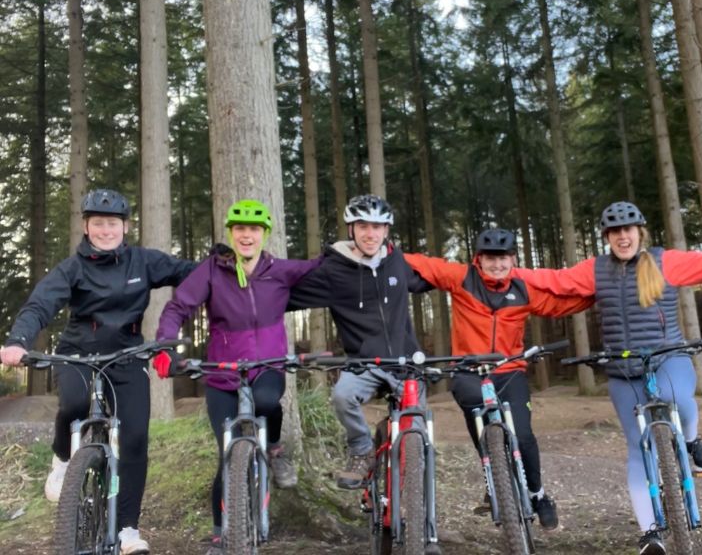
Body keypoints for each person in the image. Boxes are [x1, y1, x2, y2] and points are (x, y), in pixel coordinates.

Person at [517, 201, 702, 555]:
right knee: (637, 449)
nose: (623, 237)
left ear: (640, 232)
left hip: (668, 357)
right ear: (607, 237)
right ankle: (650, 533)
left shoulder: (665, 261)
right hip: (623, 370)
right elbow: (554, 281)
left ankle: (693, 442)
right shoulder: (596, 270)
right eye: (615, 232)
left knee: (680, 400)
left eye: (628, 230)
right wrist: (510, 275)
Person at [0, 188, 196, 555]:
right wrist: (18, 341)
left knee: (136, 437)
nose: (106, 231)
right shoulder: (73, 268)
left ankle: (127, 529)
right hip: (79, 353)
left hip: (128, 354)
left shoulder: (142, 262)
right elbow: (41, 303)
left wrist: (222, 265)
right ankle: (62, 459)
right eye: (98, 224)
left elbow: (188, 272)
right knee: (73, 405)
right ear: (86, 226)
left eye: (113, 224)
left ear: (125, 226)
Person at [153, 199, 321, 554]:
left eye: (254, 229)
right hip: (223, 374)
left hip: (268, 367)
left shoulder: (281, 270)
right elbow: (178, 306)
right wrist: (165, 347)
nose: (247, 235)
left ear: (264, 234)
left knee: (266, 402)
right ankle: (219, 531)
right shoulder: (213, 269)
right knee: (227, 453)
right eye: (240, 229)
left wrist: (349, 249)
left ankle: (275, 448)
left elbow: (320, 268)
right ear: (231, 233)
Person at [404, 228, 594, 530]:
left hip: (509, 370)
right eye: (491, 259)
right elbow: (426, 265)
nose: (497, 265)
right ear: (479, 259)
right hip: (468, 370)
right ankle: (494, 477)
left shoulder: (522, 289)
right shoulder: (462, 277)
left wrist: (598, 294)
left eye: (503, 259)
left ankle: (538, 493)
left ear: (513, 260)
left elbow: (558, 305)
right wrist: (384, 253)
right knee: (479, 422)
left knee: (523, 435)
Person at [288, 194, 432, 489]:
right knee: (342, 396)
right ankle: (361, 449)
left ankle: (413, 507)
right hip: (364, 363)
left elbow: (435, 278)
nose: (371, 233)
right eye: (363, 225)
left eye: (377, 227)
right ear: (351, 229)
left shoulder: (398, 262)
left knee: (415, 442)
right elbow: (284, 296)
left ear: (386, 231)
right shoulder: (332, 270)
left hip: (407, 365)